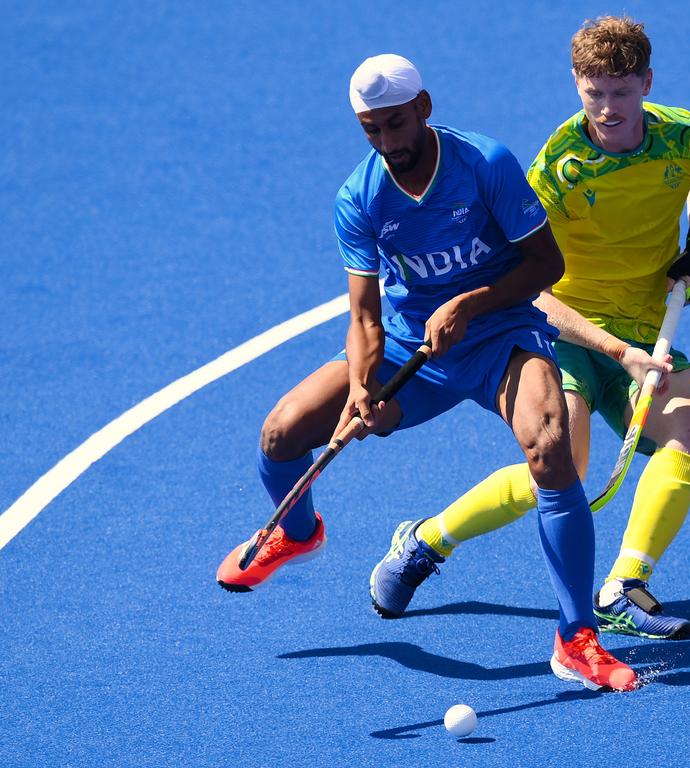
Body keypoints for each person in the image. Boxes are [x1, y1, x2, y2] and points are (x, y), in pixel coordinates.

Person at [215, 54, 636, 692]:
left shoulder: (485, 164)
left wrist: (469, 303)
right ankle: (298, 533)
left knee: (551, 448)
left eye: (395, 125)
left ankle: (576, 637)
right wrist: (363, 390)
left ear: (424, 108)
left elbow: (544, 264)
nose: (388, 143)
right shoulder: (359, 197)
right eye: (372, 131)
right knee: (281, 433)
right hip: (413, 347)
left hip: (501, 334)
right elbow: (363, 316)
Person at [372, 17, 690, 641]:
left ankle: (624, 586)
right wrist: (615, 349)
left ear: (647, 81)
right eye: (595, 93)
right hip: (566, 335)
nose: (609, 108)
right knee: (561, 465)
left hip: (644, 329)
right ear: (576, 85)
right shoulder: (560, 168)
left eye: (622, 91)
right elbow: (529, 277)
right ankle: (427, 540)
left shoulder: (685, 137)